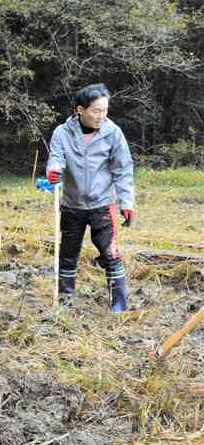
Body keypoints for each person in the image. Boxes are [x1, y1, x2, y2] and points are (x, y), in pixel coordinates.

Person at [46, 83, 135, 312]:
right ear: (80, 110)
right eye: (96, 111)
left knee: (110, 253)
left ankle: (119, 303)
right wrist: (54, 170)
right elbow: (56, 157)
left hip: (103, 204)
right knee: (68, 253)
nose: (101, 116)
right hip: (72, 205)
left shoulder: (112, 132)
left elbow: (123, 169)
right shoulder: (62, 133)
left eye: (105, 110)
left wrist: (127, 202)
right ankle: (65, 299)